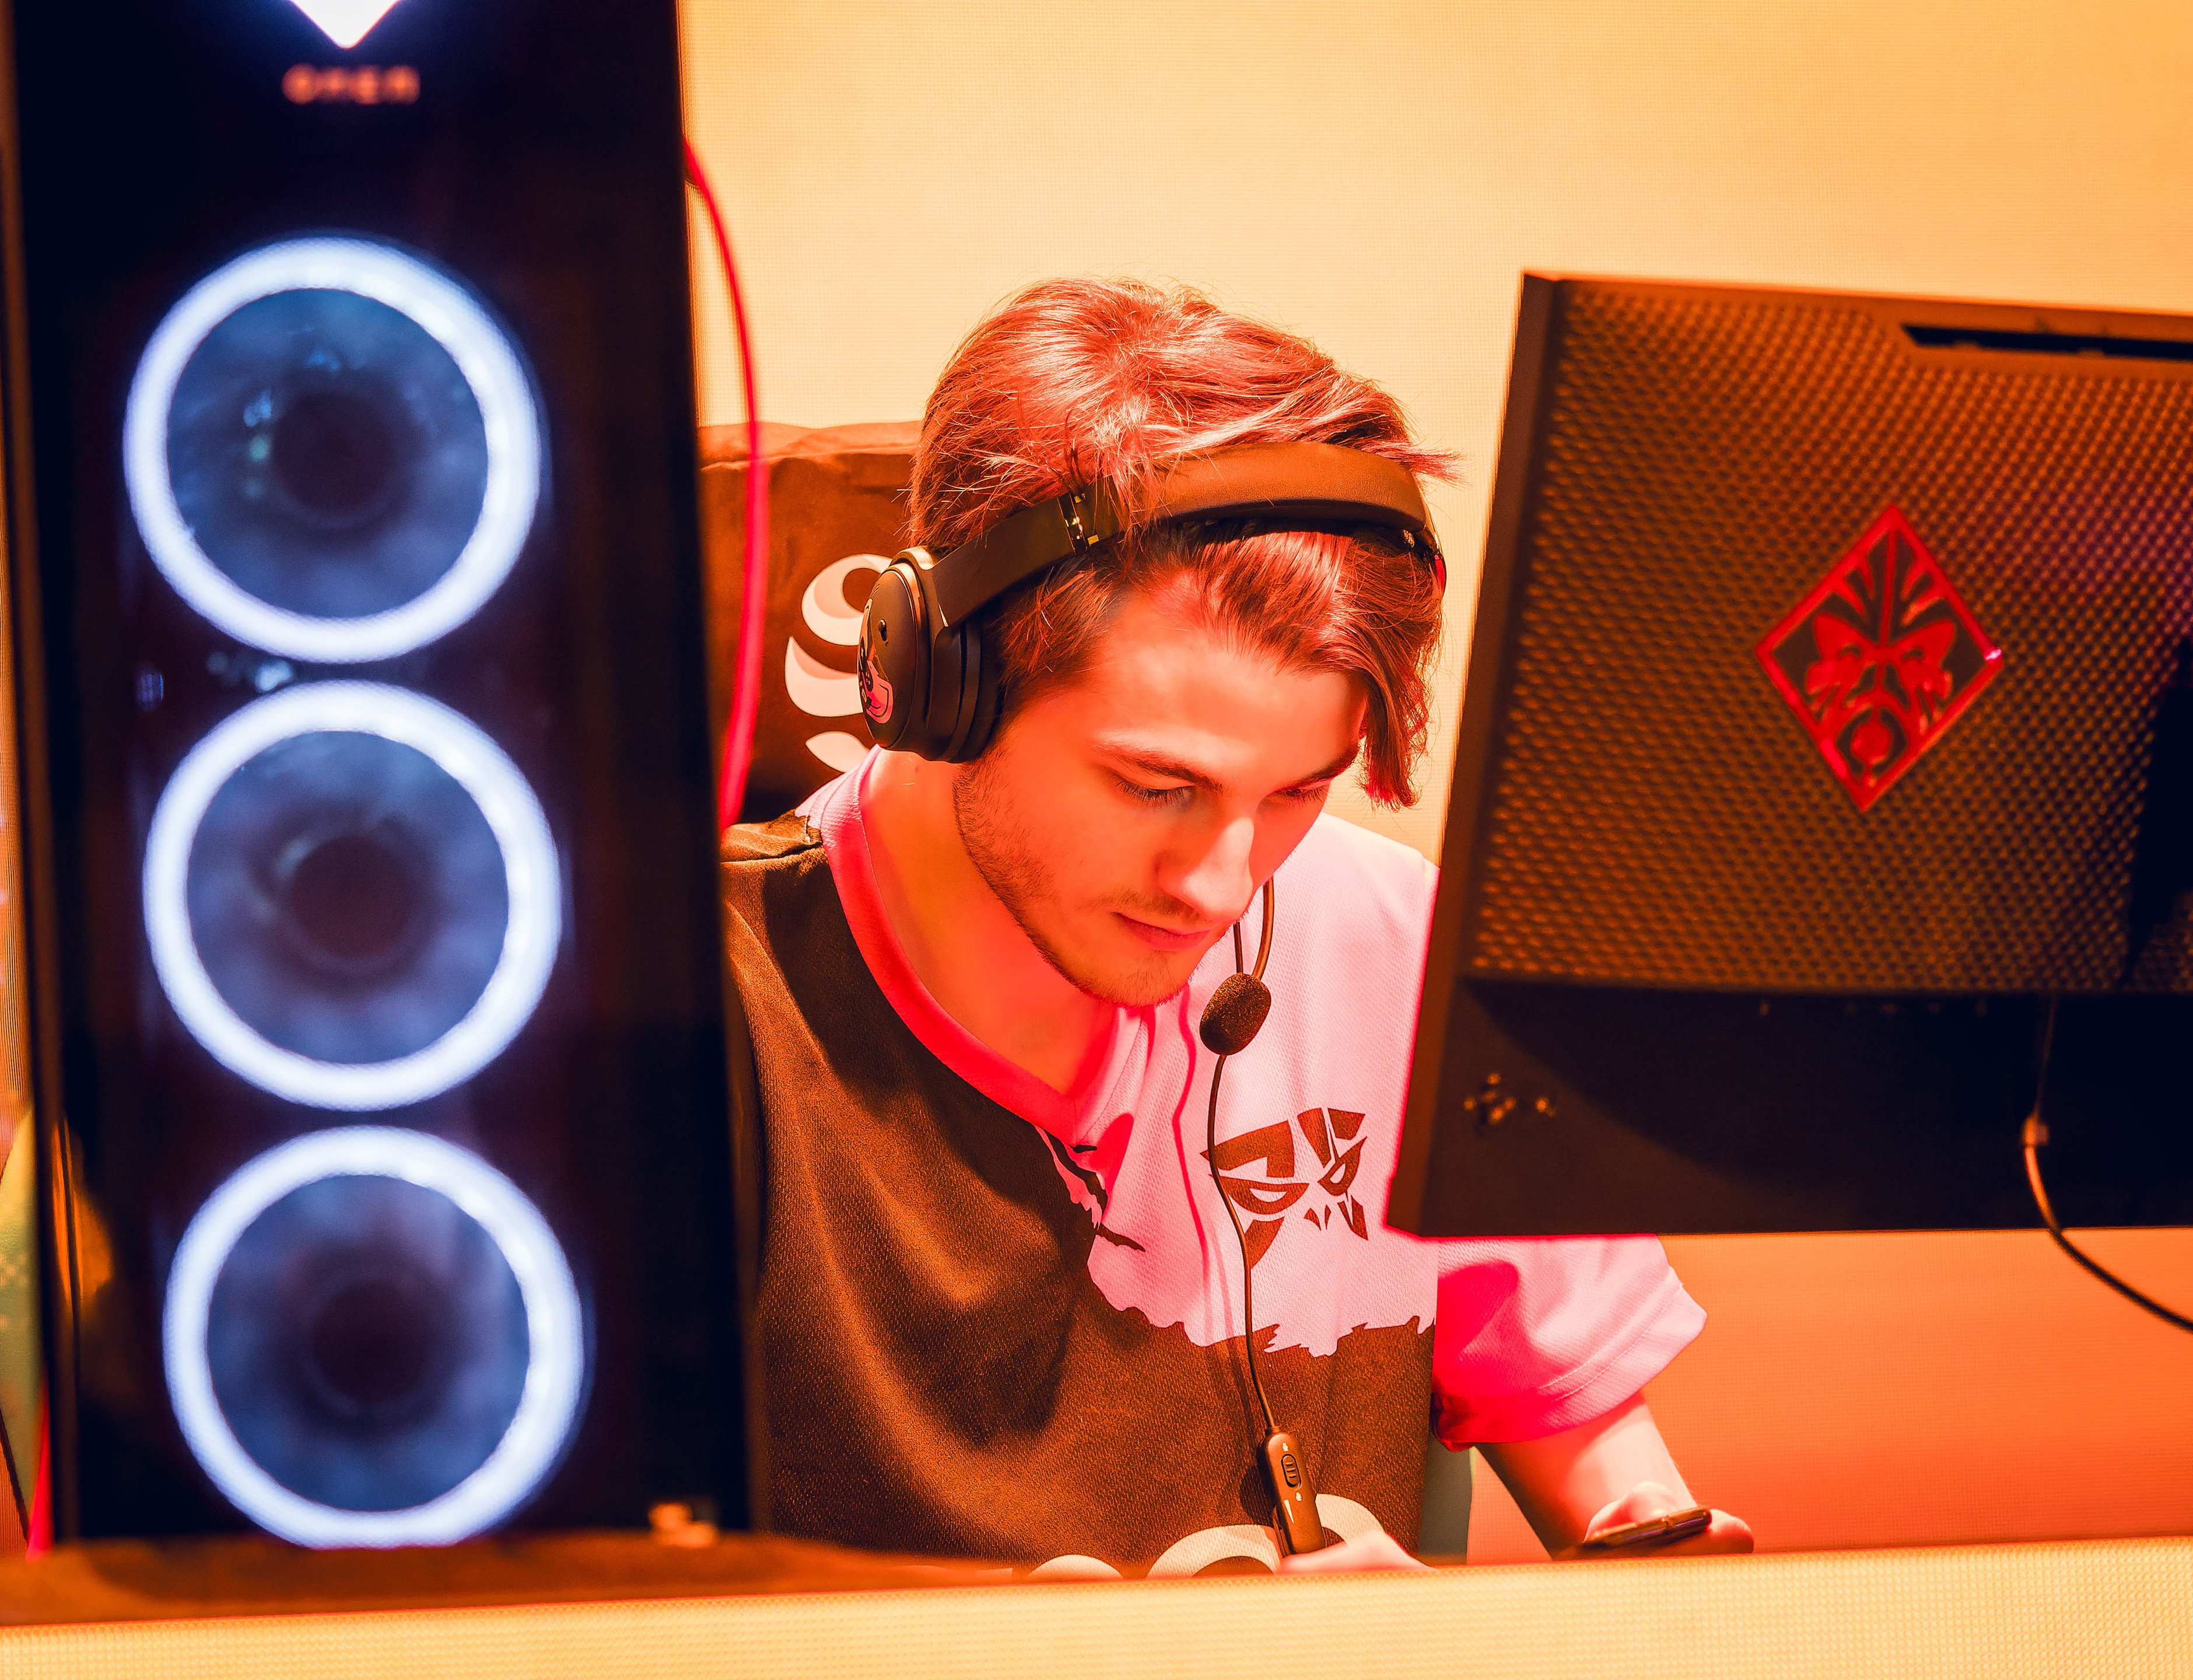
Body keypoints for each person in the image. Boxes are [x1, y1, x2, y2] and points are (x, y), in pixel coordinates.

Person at [719, 277, 1752, 1577]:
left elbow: (1617, 1487)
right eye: (1157, 787)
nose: (1220, 888)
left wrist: (1604, 1598)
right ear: (940, 682)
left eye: (1297, 794)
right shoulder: (704, 1016)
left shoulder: (1398, 949)